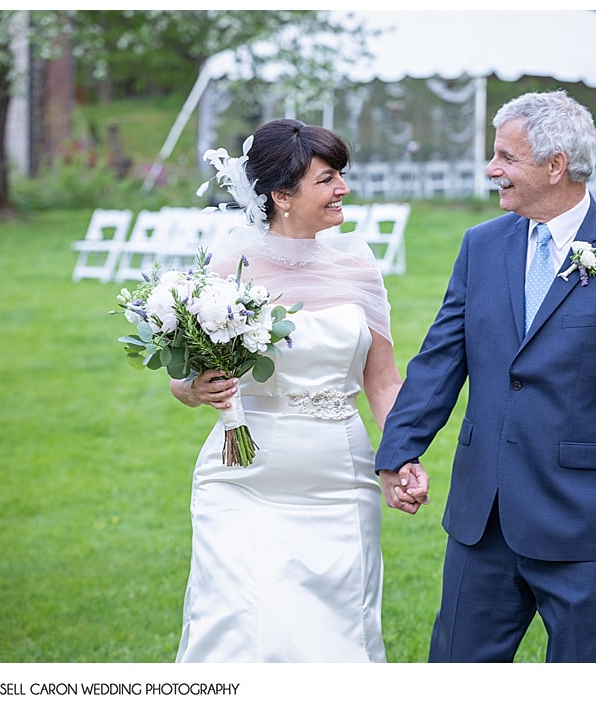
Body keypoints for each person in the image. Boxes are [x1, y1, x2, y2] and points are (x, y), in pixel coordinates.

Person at [376, 90, 596, 663]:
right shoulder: (481, 246)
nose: (492, 170)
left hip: (585, 524)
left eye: (506, 157)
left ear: (556, 164)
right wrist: (399, 450)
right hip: (481, 517)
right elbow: (441, 358)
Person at [169, 118, 428, 662]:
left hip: (340, 480)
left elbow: (382, 378)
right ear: (282, 195)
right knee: (239, 627)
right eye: (328, 179)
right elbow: (181, 379)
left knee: (333, 636)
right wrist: (198, 389)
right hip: (241, 478)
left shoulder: (358, 265)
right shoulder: (229, 267)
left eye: (341, 176)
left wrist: (403, 453)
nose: (343, 190)